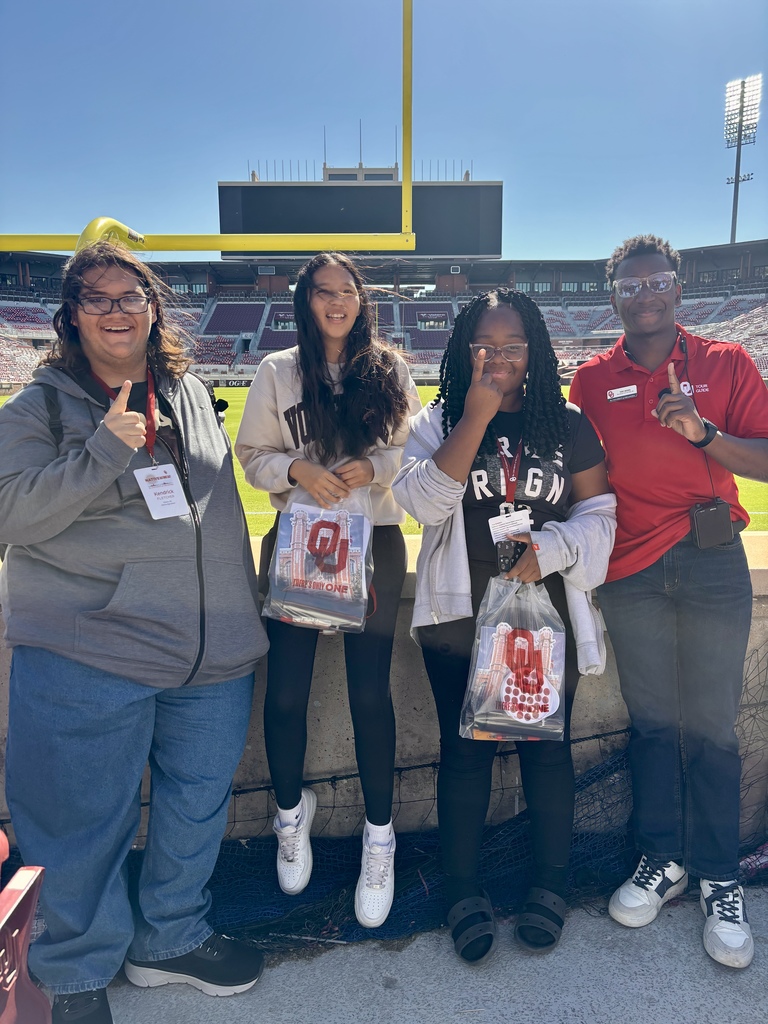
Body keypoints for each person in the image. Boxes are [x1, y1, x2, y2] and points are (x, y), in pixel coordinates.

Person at [0, 242, 268, 1024]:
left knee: (196, 807)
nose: (115, 311)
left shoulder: (189, 393)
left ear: (154, 308)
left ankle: (170, 938)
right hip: (89, 650)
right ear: (71, 315)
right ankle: (71, 972)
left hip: (211, 652)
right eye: (97, 297)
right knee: (77, 822)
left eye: (130, 296)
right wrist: (101, 453)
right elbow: (11, 514)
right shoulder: (37, 408)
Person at [392, 288, 616, 961]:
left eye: (512, 345)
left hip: (544, 618)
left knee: (548, 750)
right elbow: (421, 504)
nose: (498, 357)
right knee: (466, 752)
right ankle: (463, 888)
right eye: (483, 346)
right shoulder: (439, 418)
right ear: (463, 351)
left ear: (535, 350)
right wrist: (475, 417)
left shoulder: (567, 422)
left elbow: (600, 517)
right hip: (461, 618)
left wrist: (554, 547)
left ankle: (552, 881)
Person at [570, 234, 768, 970]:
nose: (644, 295)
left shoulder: (726, 362)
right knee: (652, 723)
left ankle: (719, 877)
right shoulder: (591, 380)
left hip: (713, 561)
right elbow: (580, 479)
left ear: (679, 290)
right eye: (630, 285)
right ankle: (663, 859)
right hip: (630, 570)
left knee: (712, 728)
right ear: (614, 297)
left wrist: (704, 434)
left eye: (657, 282)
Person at [235, 252, 420, 929]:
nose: (337, 302)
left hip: (373, 544)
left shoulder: (389, 369)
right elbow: (250, 456)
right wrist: (297, 471)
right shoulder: (277, 370)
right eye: (323, 292)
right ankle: (290, 815)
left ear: (362, 300)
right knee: (285, 693)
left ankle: (380, 837)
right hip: (299, 544)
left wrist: (374, 467)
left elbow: (416, 454)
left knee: (370, 694)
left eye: (348, 290)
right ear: (305, 301)